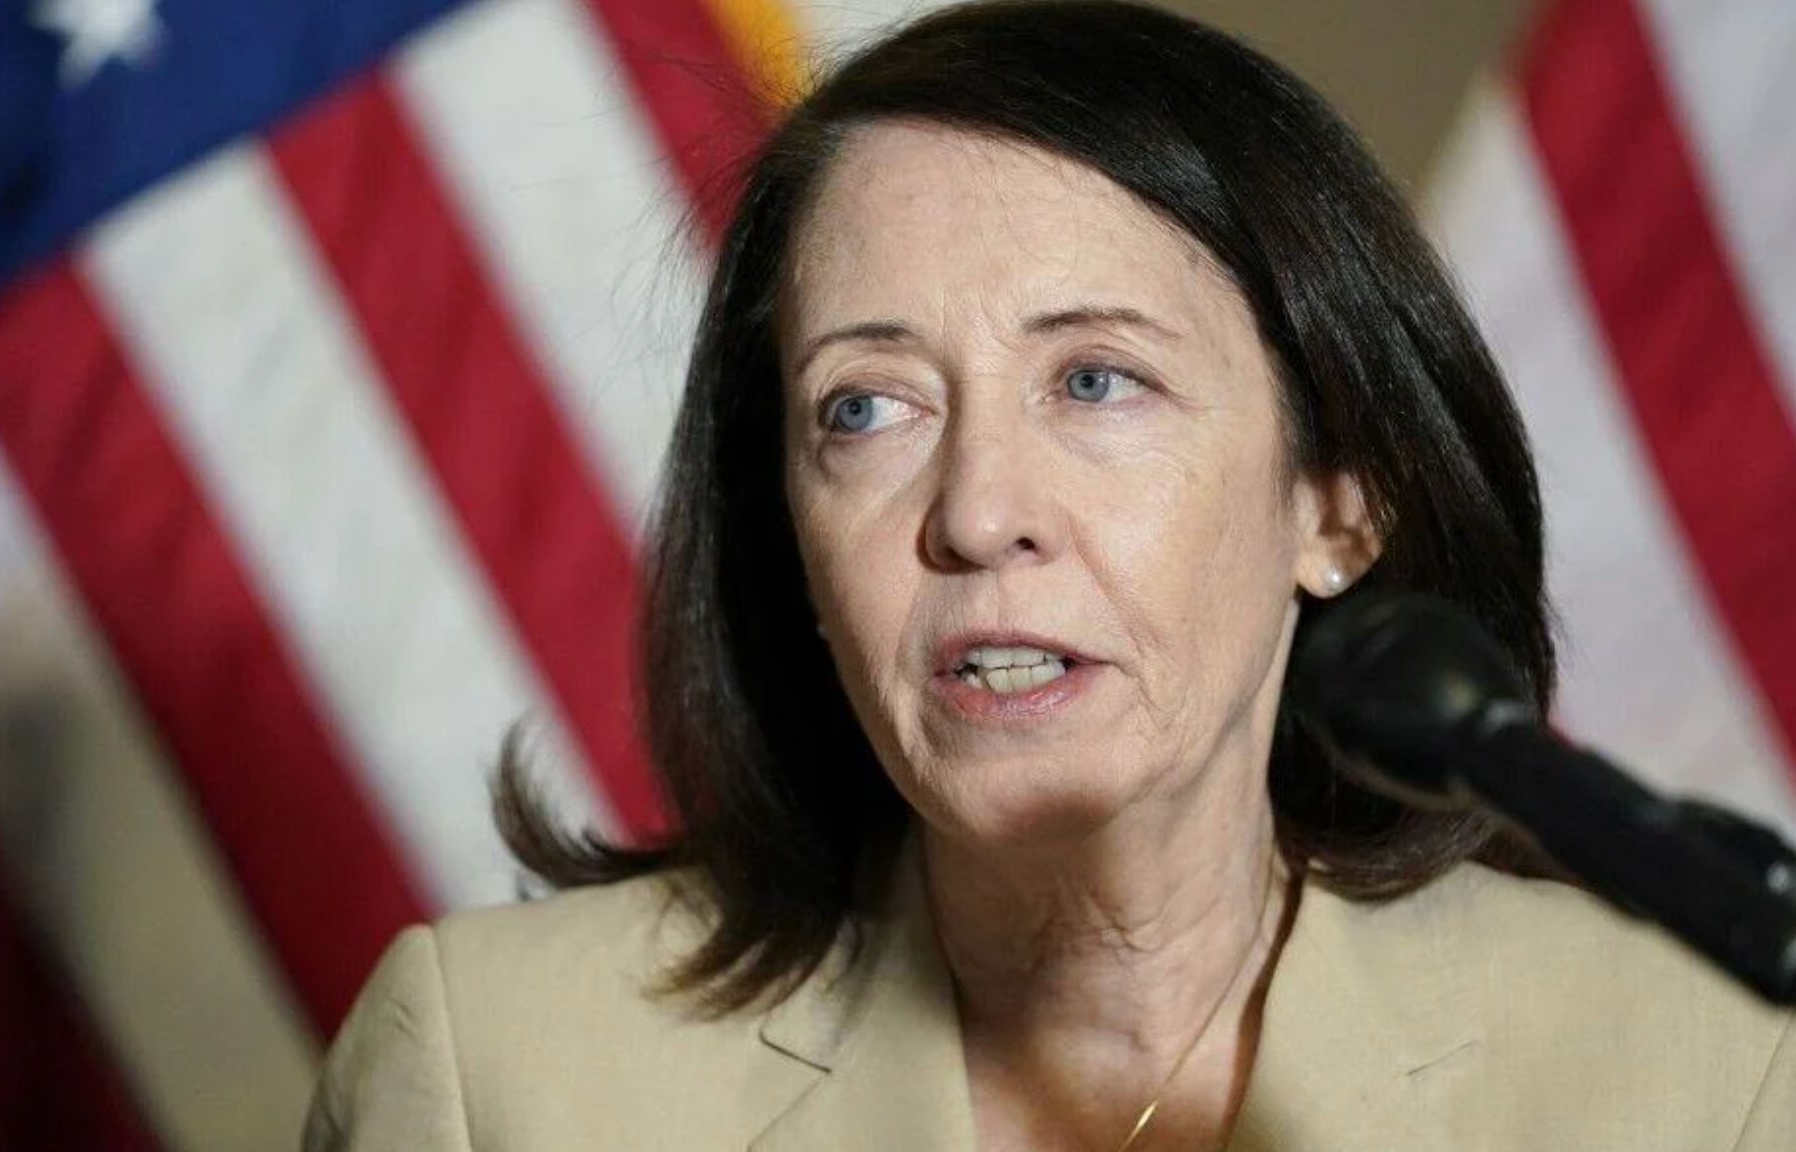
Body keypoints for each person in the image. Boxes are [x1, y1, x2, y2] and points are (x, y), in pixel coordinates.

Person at [304, 2, 1795, 1148]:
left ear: (1339, 506)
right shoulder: (496, 1081)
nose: (975, 512)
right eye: (864, 408)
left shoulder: (1702, 1067)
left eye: (1095, 382)